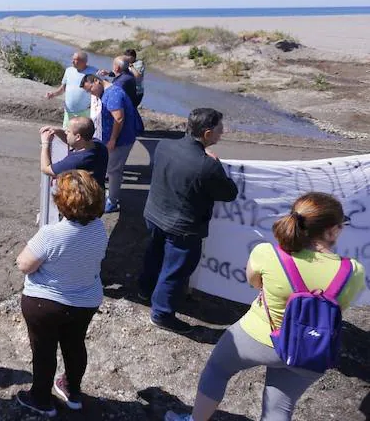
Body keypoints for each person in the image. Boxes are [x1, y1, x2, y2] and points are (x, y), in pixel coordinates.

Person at [165, 192, 366, 421]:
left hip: (257, 337)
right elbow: (340, 306)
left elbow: (253, 281)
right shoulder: (354, 271)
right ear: (332, 230)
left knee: (217, 370)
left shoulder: (267, 253)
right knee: (280, 407)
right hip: (310, 349)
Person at [15, 170, 109, 416]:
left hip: (45, 304)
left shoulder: (51, 234)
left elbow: (24, 264)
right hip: (84, 301)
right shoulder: (100, 229)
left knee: (44, 351)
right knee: (75, 345)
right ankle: (73, 391)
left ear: (64, 202)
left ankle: (41, 399)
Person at [137, 108, 238, 333]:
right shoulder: (207, 165)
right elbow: (229, 193)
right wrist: (215, 164)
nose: (223, 133)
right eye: (220, 129)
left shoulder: (164, 145)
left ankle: (144, 290)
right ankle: (161, 314)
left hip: (154, 215)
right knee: (175, 270)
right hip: (182, 227)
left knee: (154, 253)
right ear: (208, 133)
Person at [80, 73, 140, 213]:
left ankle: (113, 202)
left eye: (90, 89)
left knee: (113, 170)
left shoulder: (113, 94)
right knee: (109, 168)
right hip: (110, 139)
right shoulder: (105, 92)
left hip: (120, 140)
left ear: (96, 81)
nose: (90, 93)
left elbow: (118, 119)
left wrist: (113, 140)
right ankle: (110, 195)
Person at [38, 116, 108, 188]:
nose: (65, 132)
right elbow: (74, 141)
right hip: (97, 195)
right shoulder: (99, 145)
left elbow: (46, 169)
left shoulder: (77, 161)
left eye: (68, 131)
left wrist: (45, 143)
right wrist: (57, 131)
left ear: (78, 137)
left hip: (81, 197)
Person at [46, 51, 98, 129]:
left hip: (84, 111)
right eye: (72, 59)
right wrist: (53, 94)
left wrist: (95, 103)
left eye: (75, 59)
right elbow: (63, 88)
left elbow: (101, 88)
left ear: (84, 61)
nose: (72, 61)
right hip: (69, 111)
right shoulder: (68, 70)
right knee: (67, 134)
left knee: (82, 135)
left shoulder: (94, 72)